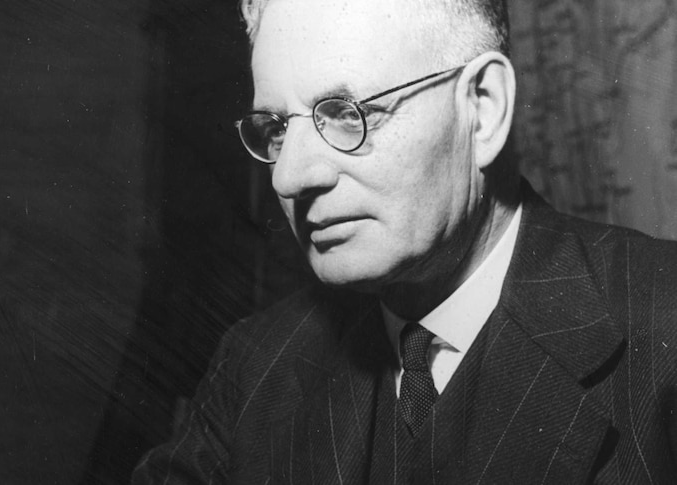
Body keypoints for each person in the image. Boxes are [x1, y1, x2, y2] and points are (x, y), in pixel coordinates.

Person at [132, 0, 677, 482]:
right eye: (276, 127)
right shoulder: (256, 364)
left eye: (347, 115)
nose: (288, 177)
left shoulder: (663, 325)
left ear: (483, 109)